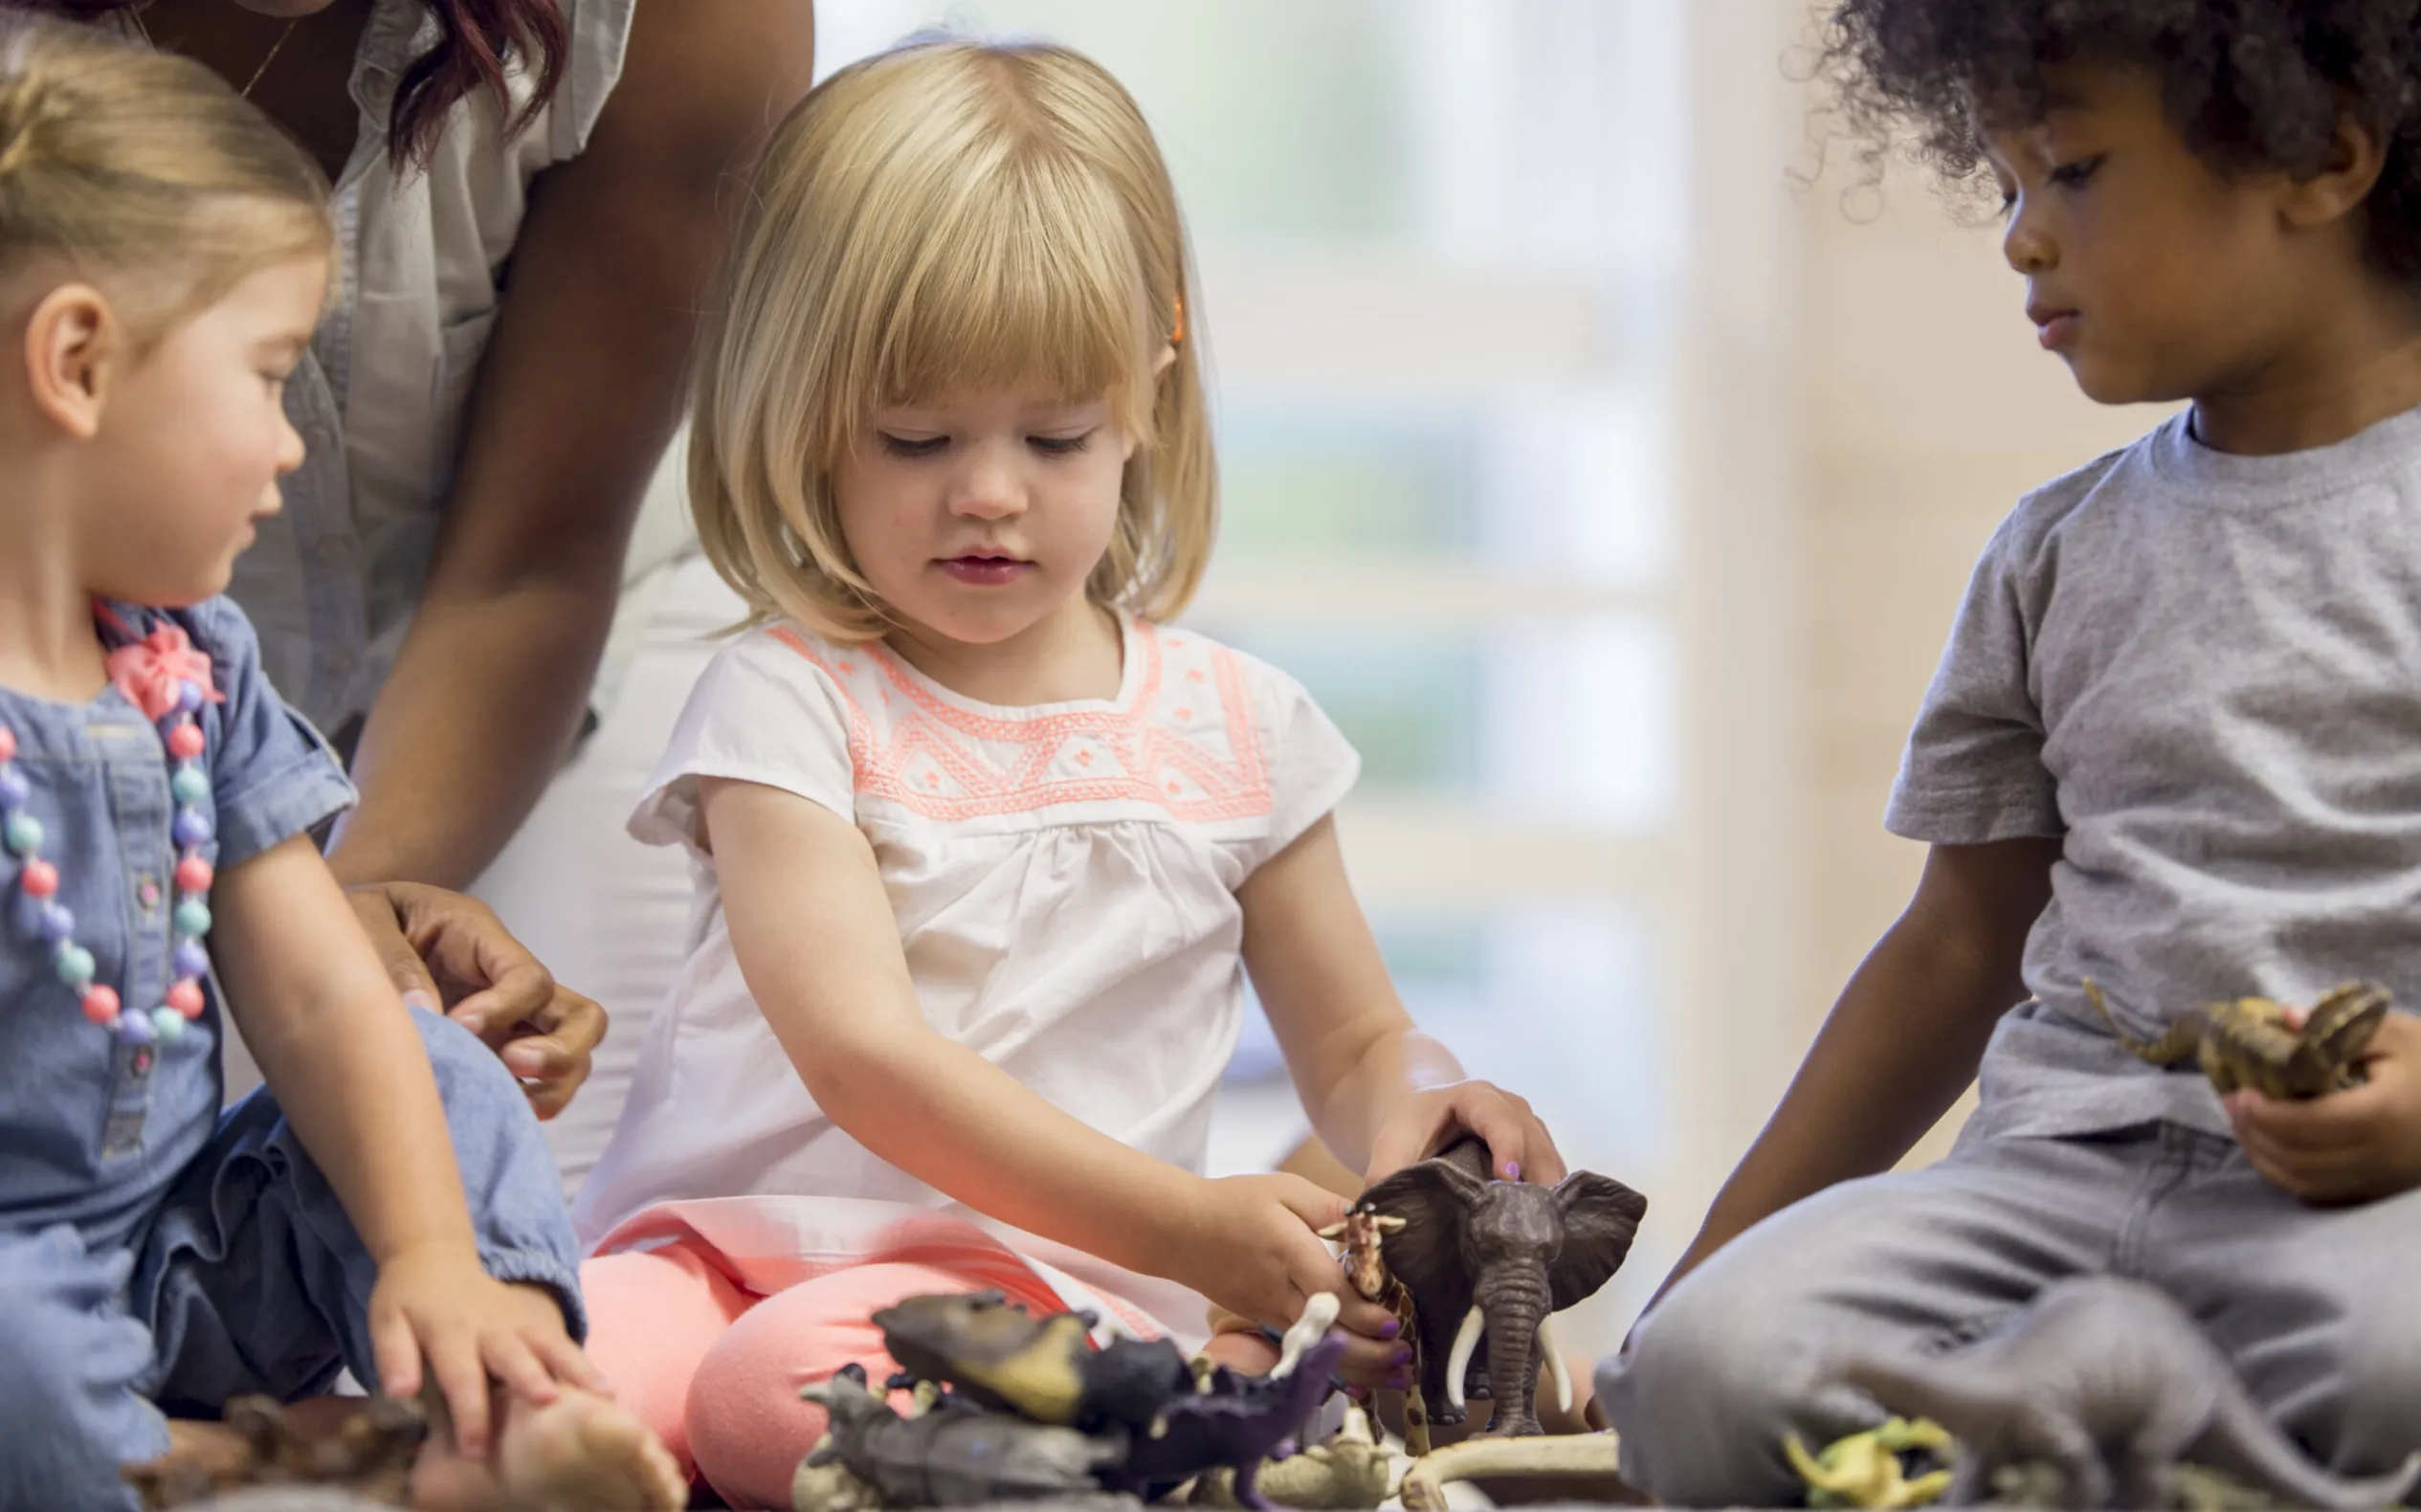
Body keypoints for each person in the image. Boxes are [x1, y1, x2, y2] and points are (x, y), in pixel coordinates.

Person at [563, 35, 1574, 1509]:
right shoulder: (787, 702)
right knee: (563, 1381)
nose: (988, 491)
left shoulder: (1240, 727)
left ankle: (1153, 1430)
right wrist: (1193, 1228)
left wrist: (1429, 1104)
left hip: (1044, 1300)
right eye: (915, 436)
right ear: (800, 405)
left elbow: (1355, 1045)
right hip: (714, 1251)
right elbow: (862, 1057)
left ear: (1149, 385)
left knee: (760, 1397)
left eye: (1054, 433)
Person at [1599, 1, 2421, 1503]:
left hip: (2370, 1208)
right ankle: (2127, 1429)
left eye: (2074, 170)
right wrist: (1691, 1290)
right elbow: (1948, 950)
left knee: (2396, 1369)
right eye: (2003, 188)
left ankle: (2075, 1435)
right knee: (1712, 1373)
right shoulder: (2053, 552)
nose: (2020, 240)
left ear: (2327, 159)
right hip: (2053, 1176)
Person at [0, 17, 684, 1509]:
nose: (287, 443)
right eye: (260, 377)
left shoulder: (191, 669)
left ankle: (489, 1397)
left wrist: (430, 1250)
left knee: (430, 1063)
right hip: (10, 1299)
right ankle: (178, 1463)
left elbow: (320, 991)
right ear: (78, 364)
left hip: (183, 1252)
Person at [21, 0, 815, 1120]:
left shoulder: (694, 28)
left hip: (557, 655)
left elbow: (533, 558)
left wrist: (350, 911)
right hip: (76, 674)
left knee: (486, 1119)